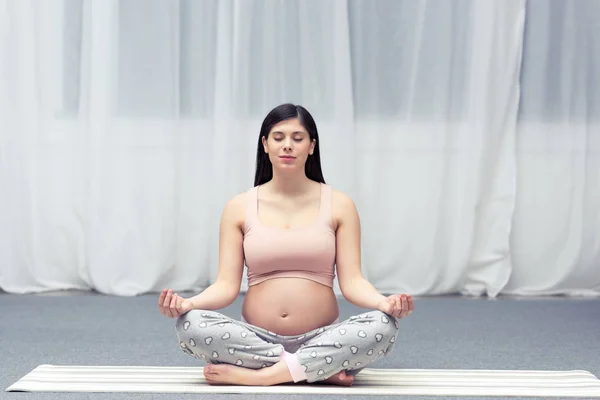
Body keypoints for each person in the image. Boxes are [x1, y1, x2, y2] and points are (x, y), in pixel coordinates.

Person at [158, 103, 415, 386]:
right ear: (265, 145)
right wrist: (187, 303)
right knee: (191, 325)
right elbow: (226, 286)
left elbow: (352, 282)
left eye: (297, 138)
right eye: (278, 138)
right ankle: (314, 369)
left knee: (383, 327)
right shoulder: (239, 206)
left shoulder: (340, 205)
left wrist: (384, 303)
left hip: (322, 336)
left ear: (312, 146)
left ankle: (264, 376)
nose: (287, 146)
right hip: (256, 338)